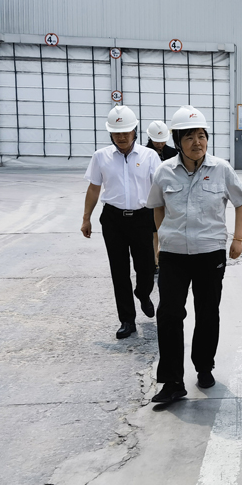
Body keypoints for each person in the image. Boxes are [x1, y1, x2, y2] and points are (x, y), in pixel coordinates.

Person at [146, 105, 242, 402]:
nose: (197, 142)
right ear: (178, 141)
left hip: (209, 252)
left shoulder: (221, 169)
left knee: (207, 313)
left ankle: (204, 366)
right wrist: (160, 242)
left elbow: (241, 203)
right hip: (174, 254)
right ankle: (172, 381)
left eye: (202, 135)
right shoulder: (164, 171)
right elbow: (157, 207)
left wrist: (237, 239)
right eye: (189, 136)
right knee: (169, 314)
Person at [81, 105, 161, 339]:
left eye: (126, 131)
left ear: (135, 130)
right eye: (117, 132)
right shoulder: (101, 157)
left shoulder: (149, 156)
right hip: (113, 219)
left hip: (142, 217)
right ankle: (127, 320)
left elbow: (160, 188)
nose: (122, 137)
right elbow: (94, 188)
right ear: (110, 133)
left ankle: (143, 293)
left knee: (146, 267)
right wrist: (86, 218)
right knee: (119, 270)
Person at [145, 121, 178, 270]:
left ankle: (167, 258)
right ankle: (155, 261)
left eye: (162, 141)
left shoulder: (173, 153)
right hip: (151, 197)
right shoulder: (144, 154)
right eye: (157, 141)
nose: (160, 144)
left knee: (168, 228)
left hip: (170, 196)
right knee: (153, 230)